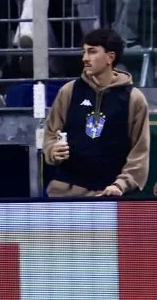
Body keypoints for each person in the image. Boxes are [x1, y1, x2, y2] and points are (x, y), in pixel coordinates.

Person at [44, 28, 150, 197]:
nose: (85, 58)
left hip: (108, 195)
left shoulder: (133, 98)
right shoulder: (69, 91)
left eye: (92, 52)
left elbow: (139, 154)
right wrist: (51, 150)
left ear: (110, 57)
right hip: (65, 194)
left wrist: (120, 185)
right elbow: (50, 134)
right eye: (84, 52)